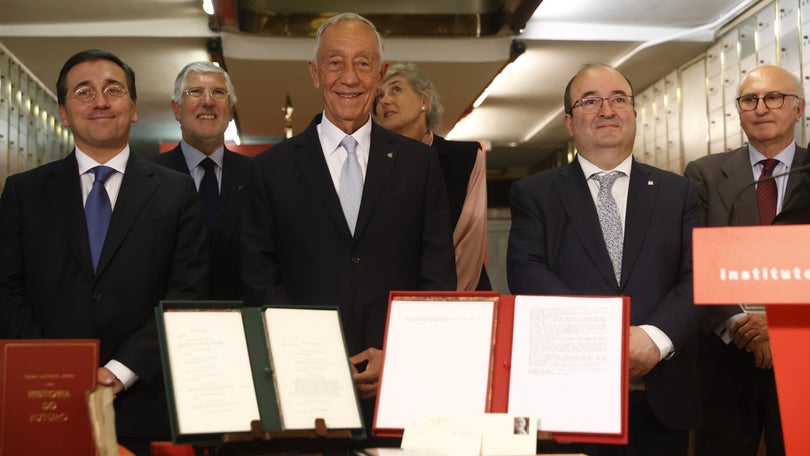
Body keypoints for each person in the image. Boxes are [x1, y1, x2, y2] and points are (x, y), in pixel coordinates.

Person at [241, 13, 457, 438]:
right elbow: (259, 277)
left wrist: (397, 352)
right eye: (335, 62)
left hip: (400, 388)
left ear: (379, 74)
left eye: (363, 63)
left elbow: (436, 275)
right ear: (315, 73)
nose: (349, 77)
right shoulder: (271, 169)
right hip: (305, 394)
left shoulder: (420, 164)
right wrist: (319, 356)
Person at [0, 49, 209, 456]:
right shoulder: (24, 193)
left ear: (132, 108)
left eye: (113, 90)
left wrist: (119, 372)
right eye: (84, 92)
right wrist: (57, 372)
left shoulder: (176, 192)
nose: (99, 101)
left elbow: (187, 296)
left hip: (144, 406)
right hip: (45, 405)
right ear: (63, 112)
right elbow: (6, 292)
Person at [507, 63, 701, 455]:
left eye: (618, 99)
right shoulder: (535, 194)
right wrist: (598, 338)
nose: (607, 110)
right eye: (590, 101)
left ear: (633, 112)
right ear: (569, 121)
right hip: (570, 397)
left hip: (659, 397)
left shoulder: (678, 192)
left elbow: (697, 276)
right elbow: (526, 272)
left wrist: (655, 339)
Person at [683, 64, 804, 456]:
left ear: (798, 109)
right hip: (725, 355)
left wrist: (783, 323)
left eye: (774, 97)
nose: (761, 108)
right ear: (738, 111)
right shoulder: (704, 174)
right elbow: (696, 257)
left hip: (803, 351)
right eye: (749, 99)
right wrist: (742, 323)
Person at [374, 62, 491, 291]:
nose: (384, 101)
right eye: (378, 97)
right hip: (393, 298)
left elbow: (468, 240)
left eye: (396, 89)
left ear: (424, 101)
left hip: (458, 297)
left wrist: (439, 303)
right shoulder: (371, 164)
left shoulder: (465, 158)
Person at [152, 61, 252, 300]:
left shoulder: (257, 176)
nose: (207, 101)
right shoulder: (149, 177)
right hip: (168, 322)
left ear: (231, 110)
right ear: (177, 109)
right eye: (195, 92)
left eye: (218, 92)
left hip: (241, 320)